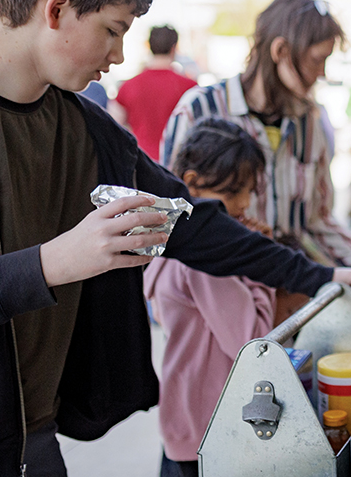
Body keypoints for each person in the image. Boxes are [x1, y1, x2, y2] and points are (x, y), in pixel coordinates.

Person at [0, 0, 351, 477]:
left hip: (36, 440)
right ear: (56, 9)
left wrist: (319, 276)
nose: (118, 55)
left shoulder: (90, 130)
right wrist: (53, 262)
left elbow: (195, 225)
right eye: (113, 30)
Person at [162, 0, 351, 283]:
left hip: (286, 297)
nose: (321, 73)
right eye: (316, 60)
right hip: (216, 298)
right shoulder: (200, 110)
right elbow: (175, 215)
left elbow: (318, 221)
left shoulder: (310, 122)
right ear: (280, 51)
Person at [145, 118, 300, 477]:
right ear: (193, 182)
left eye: (249, 191)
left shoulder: (168, 243)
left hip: (187, 419)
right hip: (212, 428)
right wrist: (260, 266)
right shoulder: (205, 261)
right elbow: (253, 344)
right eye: (233, 192)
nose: (245, 204)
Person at [112, 25, 197, 160]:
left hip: (140, 162)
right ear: (174, 48)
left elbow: (113, 128)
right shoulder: (190, 88)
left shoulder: (128, 86)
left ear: (149, 46)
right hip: (176, 163)